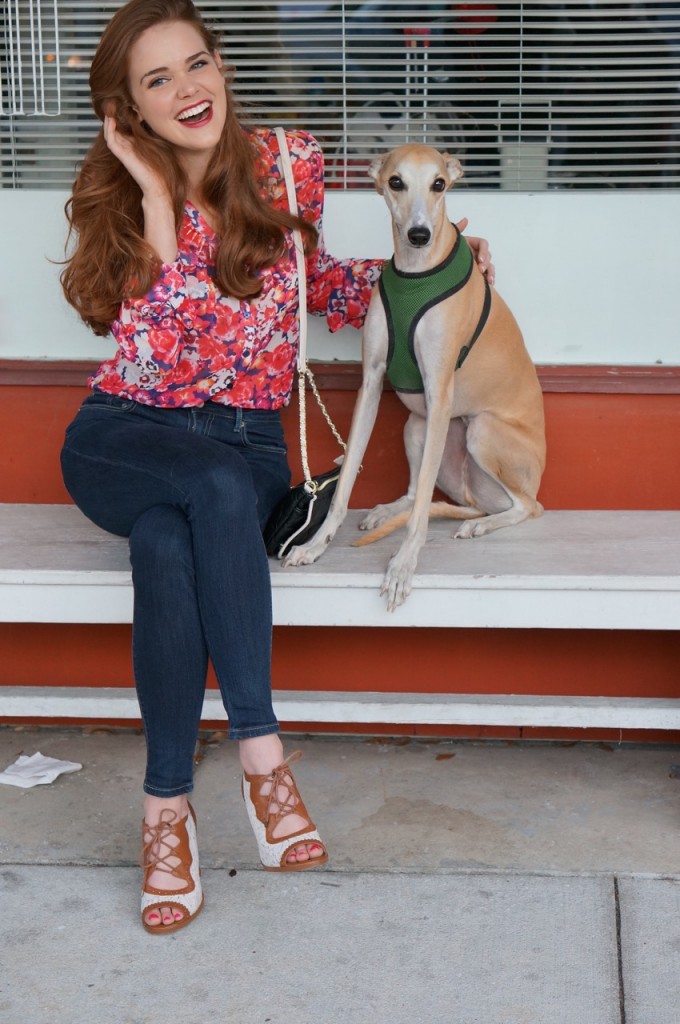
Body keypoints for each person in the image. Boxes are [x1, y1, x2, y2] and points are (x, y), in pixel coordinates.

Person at [59, 0, 494, 935]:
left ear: (222, 66)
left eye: (198, 63)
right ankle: (264, 759)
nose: (188, 89)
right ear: (129, 109)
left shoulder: (285, 162)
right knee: (191, 491)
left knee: (170, 544)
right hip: (125, 435)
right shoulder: (123, 196)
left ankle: (165, 814)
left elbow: (316, 282)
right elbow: (175, 344)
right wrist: (152, 196)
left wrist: (431, 270)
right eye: (157, 80)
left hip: (245, 448)